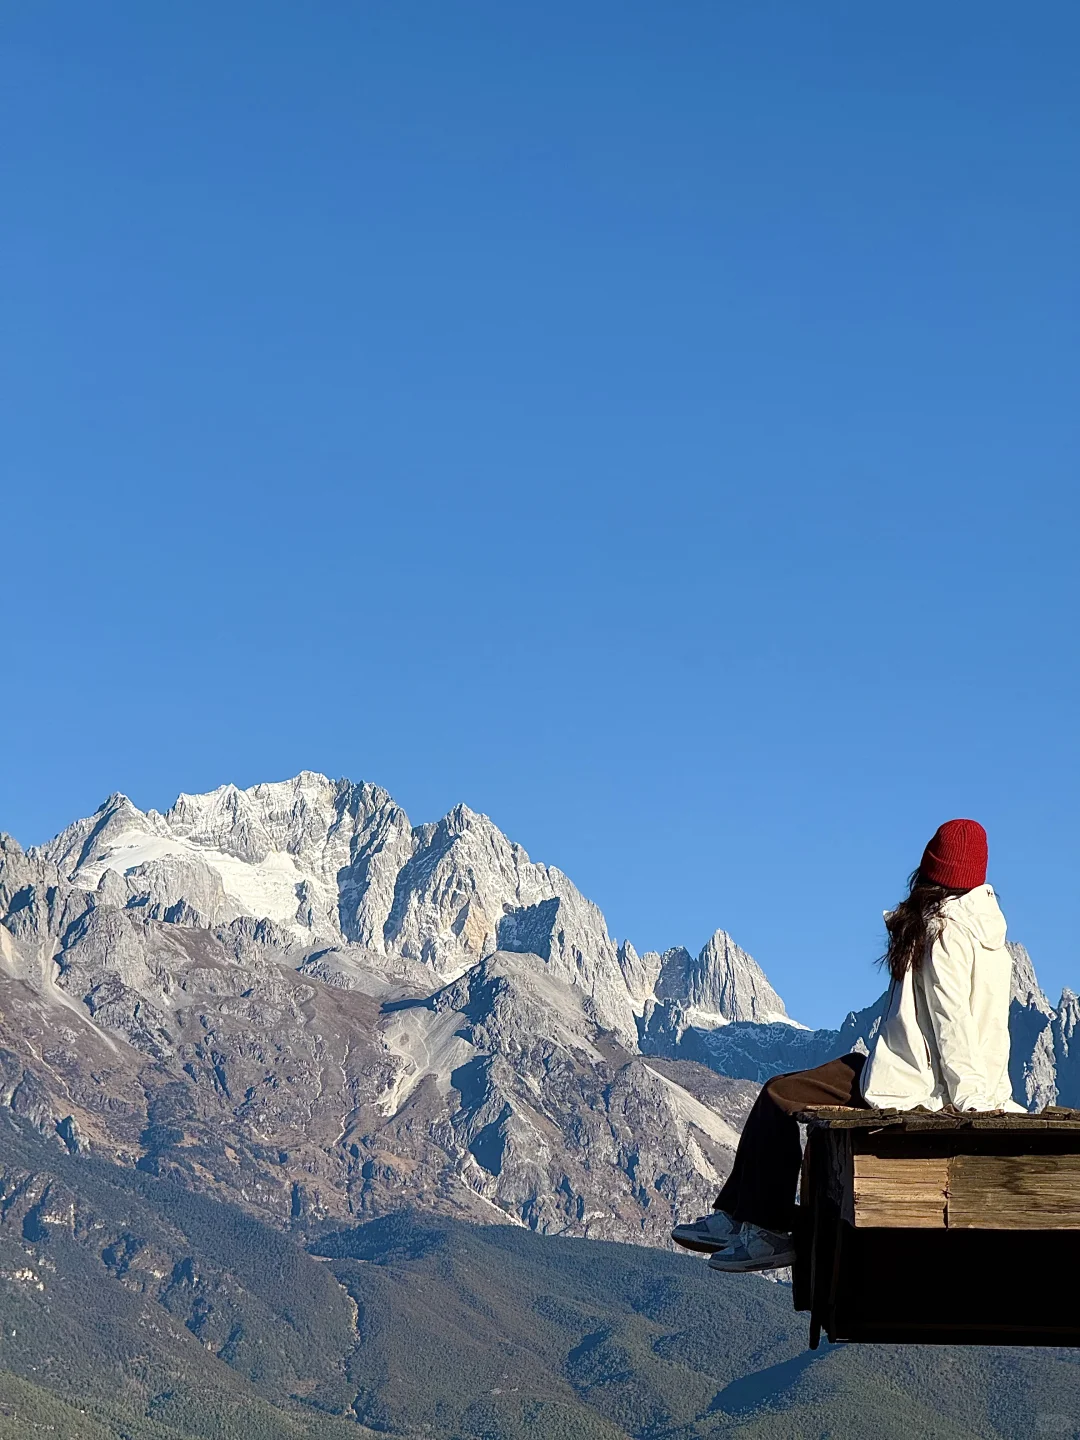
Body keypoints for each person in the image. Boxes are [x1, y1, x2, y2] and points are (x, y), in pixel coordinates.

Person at [671, 818, 1023, 1273]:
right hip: (922, 1075)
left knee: (778, 1095)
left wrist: (969, 1102)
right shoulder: (992, 938)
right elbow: (989, 1028)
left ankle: (767, 1230)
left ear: (931, 869)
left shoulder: (945, 931)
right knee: (784, 1088)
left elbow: (951, 1023)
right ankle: (738, 1216)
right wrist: (988, 1092)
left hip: (915, 1086)